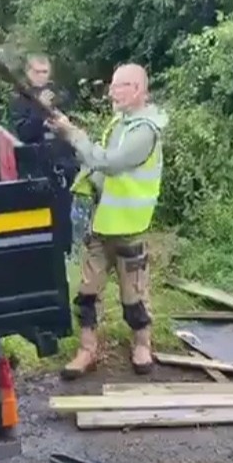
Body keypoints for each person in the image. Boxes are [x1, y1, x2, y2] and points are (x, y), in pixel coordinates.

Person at [47, 63, 169, 379]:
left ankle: (142, 346)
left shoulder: (145, 131)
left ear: (139, 90)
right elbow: (97, 163)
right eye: (113, 85)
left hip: (129, 228)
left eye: (120, 86)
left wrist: (73, 134)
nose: (112, 92)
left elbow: (110, 163)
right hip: (101, 225)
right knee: (87, 294)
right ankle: (87, 351)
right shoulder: (121, 123)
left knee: (134, 297)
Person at [9, 53, 78, 254]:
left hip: (63, 164)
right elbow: (24, 134)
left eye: (45, 72)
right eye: (37, 72)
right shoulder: (19, 99)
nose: (41, 76)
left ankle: (66, 253)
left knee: (64, 216)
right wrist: (41, 110)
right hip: (37, 167)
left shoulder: (59, 94)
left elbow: (72, 125)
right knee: (42, 220)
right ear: (28, 73)